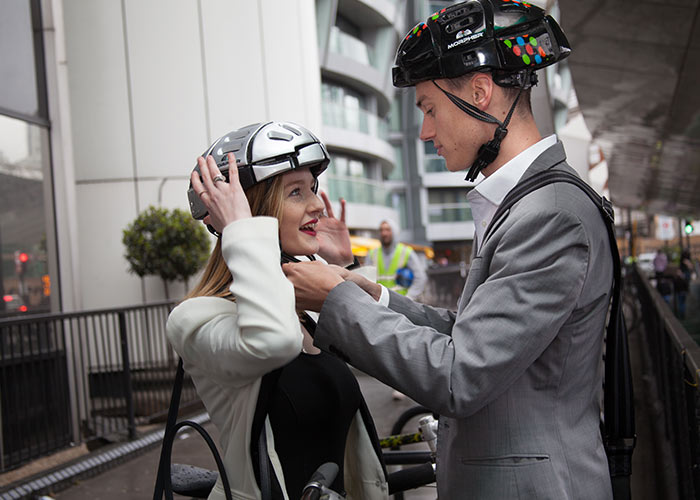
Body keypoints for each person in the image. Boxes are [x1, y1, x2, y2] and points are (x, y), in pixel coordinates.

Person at [283, 2, 615, 498]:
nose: (425, 132)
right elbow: (469, 334)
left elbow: (460, 374)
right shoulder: (529, 203)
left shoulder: (550, 215)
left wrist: (335, 301)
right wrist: (369, 293)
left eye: (429, 109)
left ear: (480, 92)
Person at [166, 122, 388, 500]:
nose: (317, 204)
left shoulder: (304, 310)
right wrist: (242, 230)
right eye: (296, 192)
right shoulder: (195, 318)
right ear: (252, 211)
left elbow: (383, 350)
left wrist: (343, 268)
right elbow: (273, 341)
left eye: (313, 188)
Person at [365, 219, 427, 300]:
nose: (384, 233)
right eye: (381, 230)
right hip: (380, 304)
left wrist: (409, 298)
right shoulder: (372, 254)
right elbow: (366, 280)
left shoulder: (406, 252)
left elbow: (420, 278)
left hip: (400, 304)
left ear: (394, 232)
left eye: (388, 230)